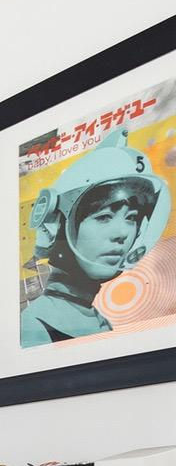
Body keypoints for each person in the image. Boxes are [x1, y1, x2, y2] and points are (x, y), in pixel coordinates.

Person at [21, 128, 171, 344]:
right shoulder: (36, 324)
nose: (122, 234)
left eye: (131, 218)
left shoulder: (100, 322)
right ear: (57, 225)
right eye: (104, 217)